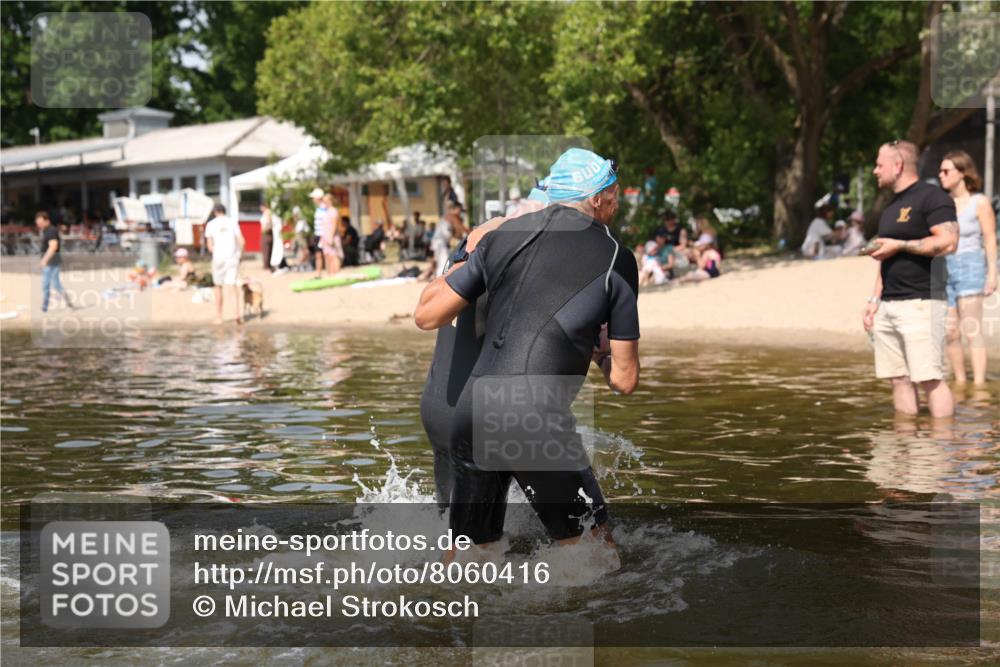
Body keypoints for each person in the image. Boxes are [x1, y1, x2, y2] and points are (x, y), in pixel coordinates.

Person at [415, 148, 639, 561]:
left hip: (471, 412)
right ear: (596, 198)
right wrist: (596, 348)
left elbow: (426, 315)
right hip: (531, 417)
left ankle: (437, 619)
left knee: (470, 559)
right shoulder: (615, 258)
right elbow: (624, 380)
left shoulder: (499, 235)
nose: (617, 203)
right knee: (598, 558)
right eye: (614, 194)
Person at [862, 140, 958, 417]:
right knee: (898, 379)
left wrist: (901, 245)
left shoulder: (932, 197)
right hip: (888, 304)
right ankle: (904, 449)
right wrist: (873, 299)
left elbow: (949, 242)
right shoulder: (891, 206)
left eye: (879, 164)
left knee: (929, 378)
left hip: (922, 302)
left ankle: (939, 451)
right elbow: (885, 257)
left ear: (898, 165)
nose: (874, 171)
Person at [938, 150, 998, 386]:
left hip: (971, 265)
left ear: (962, 172)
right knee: (950, 332)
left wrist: (992, 273)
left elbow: (990, 238)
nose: (940, 175)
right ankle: (961, 385)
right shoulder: (942, 205)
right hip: (944, 268)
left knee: (971, 328)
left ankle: (980, 387)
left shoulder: (979, 202)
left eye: (946, 171)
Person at [204, 203, 245, 325]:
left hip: (218, 257)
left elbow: (210, 246)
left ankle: (219, 316)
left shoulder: (210, 224)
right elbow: (242, 241)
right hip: (232, 257)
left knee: (218, 286)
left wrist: (215, 251)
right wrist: (240, 255)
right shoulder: (232, 222)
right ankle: (237, 313)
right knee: (232, 286)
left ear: (215, 212)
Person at [36, 211, 74, 312]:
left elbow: (53, 246)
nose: (38, 225)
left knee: (55, 285)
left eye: (40, 222)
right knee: (46, 285)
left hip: (52, 262)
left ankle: (68, 302)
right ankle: (44, 307)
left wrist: (44, 260)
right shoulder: (45, 230)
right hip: (49, 263)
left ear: (46, 221)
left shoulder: (51, 231)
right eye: (37, 223)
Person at [309, 188, 327, 276]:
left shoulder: (324, 208)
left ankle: (328, 272)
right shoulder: (318, 208)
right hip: (318, 234)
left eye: (314, 198)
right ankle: (318, 272)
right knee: (318, 254)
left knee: (325, 254)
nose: (313, 200)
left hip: (323, 235)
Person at [260, 201, 274, 272]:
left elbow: (269, 223)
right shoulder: (268, 212)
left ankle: (266, 265)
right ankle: (268, 265)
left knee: (266, 250)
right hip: (268, 233)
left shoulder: (267, 212)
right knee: (268, 250)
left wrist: (265, 230)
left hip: (267, 233)